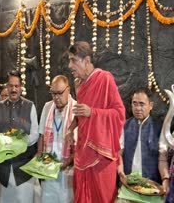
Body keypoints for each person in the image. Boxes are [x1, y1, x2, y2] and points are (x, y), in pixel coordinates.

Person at [66, 41, 126, 202]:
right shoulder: (78, 83)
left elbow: (119, 113)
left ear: (86, 61)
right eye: (69, 60)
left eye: (73, 60)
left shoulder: (105, 78)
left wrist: (92, 112)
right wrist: (70, 129)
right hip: (82, 152)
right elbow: (79, 114)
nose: (70, 65)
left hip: (101, 156)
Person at [0, 70, 39, 203]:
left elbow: (34, 133)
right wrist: (6, 142)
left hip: (24, 168)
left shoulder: (30, 106)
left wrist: (19, 143)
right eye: (11, 86)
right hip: (4, 167)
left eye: (16, 86)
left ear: (21, 86)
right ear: (6, 86)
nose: (13, 89)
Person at [117, 87, 169, 196]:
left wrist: (165, 179)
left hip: (151, 185)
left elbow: (162, 158)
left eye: (141, 104)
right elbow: (119, 154)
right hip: (128, 183)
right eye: (134, 104)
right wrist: (121, 171)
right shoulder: (125, 125)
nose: (137, 108)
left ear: (151, 105)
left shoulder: (159, 127)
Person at [37, 75, 77, 203]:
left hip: (68, 172)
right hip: (49, 168)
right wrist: (39, 155)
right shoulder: (48, 107)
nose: (56, 97)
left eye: (59, 93)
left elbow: (81, 145)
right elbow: (42, 134)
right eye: (53, 93)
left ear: (68, 90)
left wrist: (68, 161)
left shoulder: (77, 109)